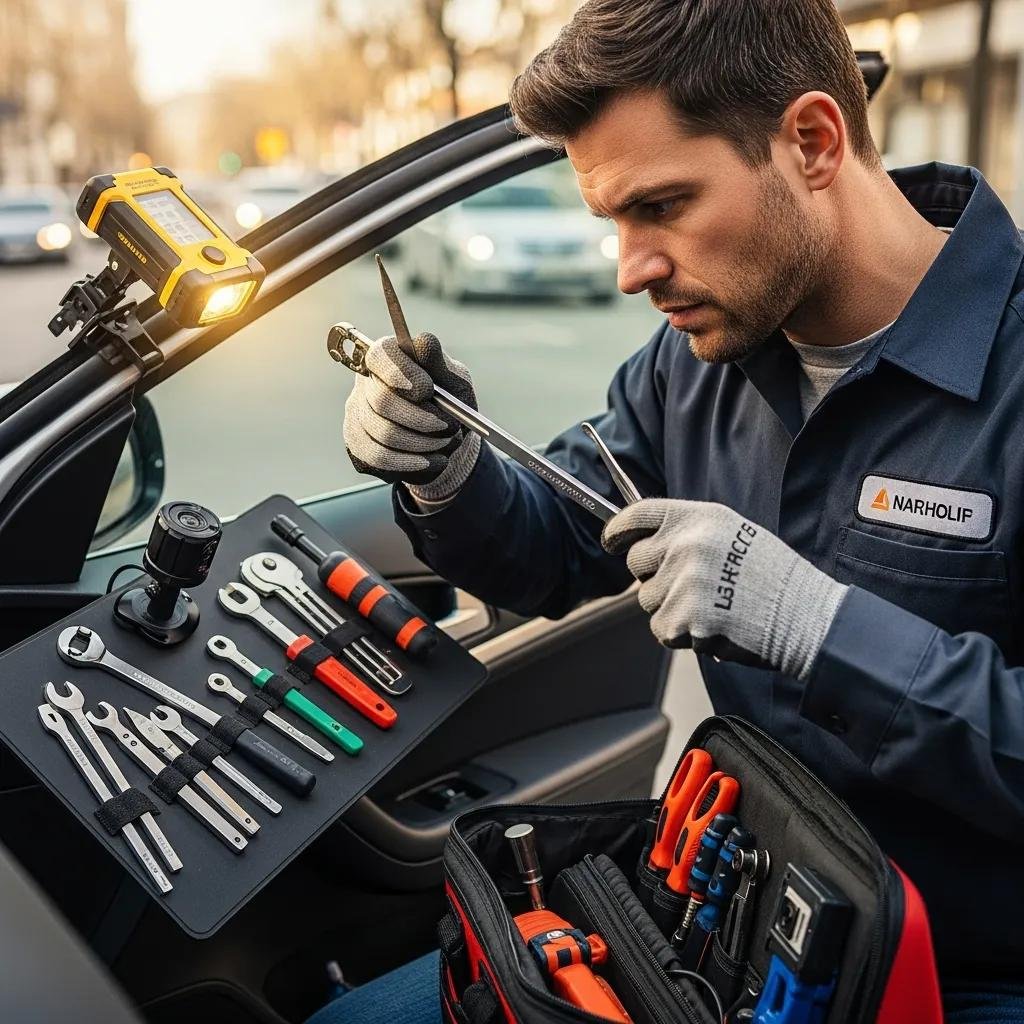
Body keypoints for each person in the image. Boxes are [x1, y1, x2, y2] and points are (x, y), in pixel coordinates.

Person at [326, 0, 1024, 1020]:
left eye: (661, 206)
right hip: (722, 917)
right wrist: (447, 469)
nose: (629, 269)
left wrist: (820, 630)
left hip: (967, 975)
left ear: (813, 141)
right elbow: (560, 540)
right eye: (612, 221)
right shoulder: (696, 361)